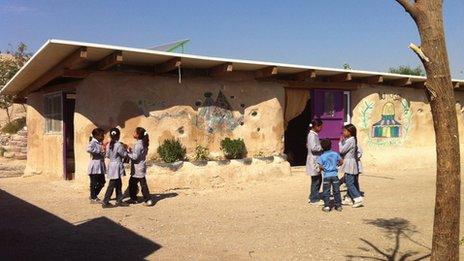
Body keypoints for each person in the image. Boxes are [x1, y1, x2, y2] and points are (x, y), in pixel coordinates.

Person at [102, 128, 130, 208]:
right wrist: (126, 149)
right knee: (112, 184)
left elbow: (107, 155)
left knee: (118, 183)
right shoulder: (118, 145)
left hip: (112, 164)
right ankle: (105, 201)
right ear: (119, 135)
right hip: (117, 165)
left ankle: (119, 200)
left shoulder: (109, 145)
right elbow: (124, 154)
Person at [126, 127, 153, 206]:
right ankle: (135, 198)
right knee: (133, 183)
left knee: (141, 184)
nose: (133, 133)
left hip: (137, 167)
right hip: (141, 166)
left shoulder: (138, 144)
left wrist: (127, 153)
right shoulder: (143, 143)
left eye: (135, 132)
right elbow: (139, 154)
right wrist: (131, 151)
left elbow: (135, 157)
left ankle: (147, 199)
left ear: (138, 135)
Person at [339, 124, 364, 208]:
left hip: (350, 163)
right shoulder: (351, 140)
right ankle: (349, 198)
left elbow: (342, 150)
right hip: (350, 162)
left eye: (345, 131)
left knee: (349, 183)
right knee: (350, 180)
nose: (343, 132)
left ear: (350, 132)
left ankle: (358, 198)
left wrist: (340, 143)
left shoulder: (350, 140)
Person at [317, 139, 343, 212]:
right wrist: (337, 165)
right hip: (335, 175)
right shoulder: (335, 154)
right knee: (336, 191)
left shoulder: (322, 156)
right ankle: (338, 206)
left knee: (326, 191)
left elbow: (320, 166)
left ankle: (327, 206)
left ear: (322, 147)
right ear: (331, 145)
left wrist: (324, 169)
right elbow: (341, 161)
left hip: (326, 176)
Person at [306, 119, 324, 205]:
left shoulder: (313, 135)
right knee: (316, 180)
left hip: (315, 159)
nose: (321, 128)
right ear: (317, 126)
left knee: (317, 179)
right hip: (314, 159)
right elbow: (313, 147)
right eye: (321, 126)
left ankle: (313, 195)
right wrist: (322, 147)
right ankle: (314, 199)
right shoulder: (312, 135)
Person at [87, 128, 106, 204]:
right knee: (93, 182)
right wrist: (98, 151)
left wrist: (103, 152)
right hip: (95, 165)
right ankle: (93, 197)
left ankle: (94, 195)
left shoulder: (99, 143)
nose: (102, 136)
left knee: (102, 182)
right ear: (96, 135)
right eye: (101, 135)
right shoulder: (93, 142)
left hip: (100, 164)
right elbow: (88, 149)